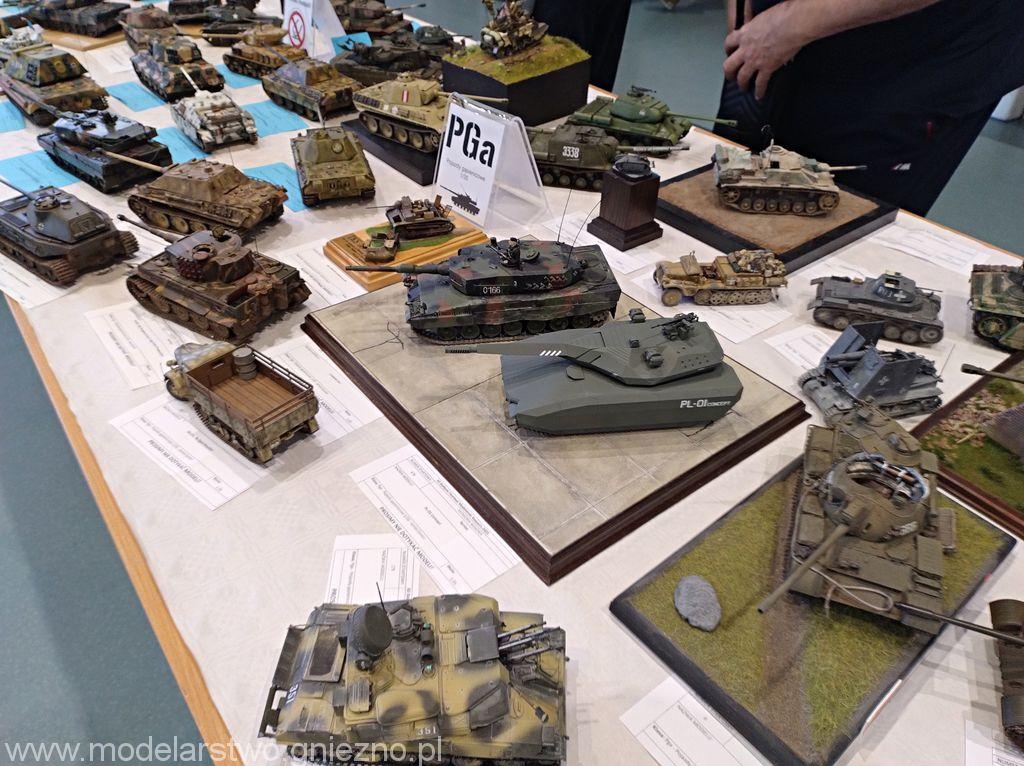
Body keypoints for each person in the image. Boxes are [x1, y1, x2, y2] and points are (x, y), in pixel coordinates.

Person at [714, 0, 1024, 215]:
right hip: (769, 40)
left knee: (837, 228)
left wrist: (792, 23)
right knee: (724, 188)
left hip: (911, 59)